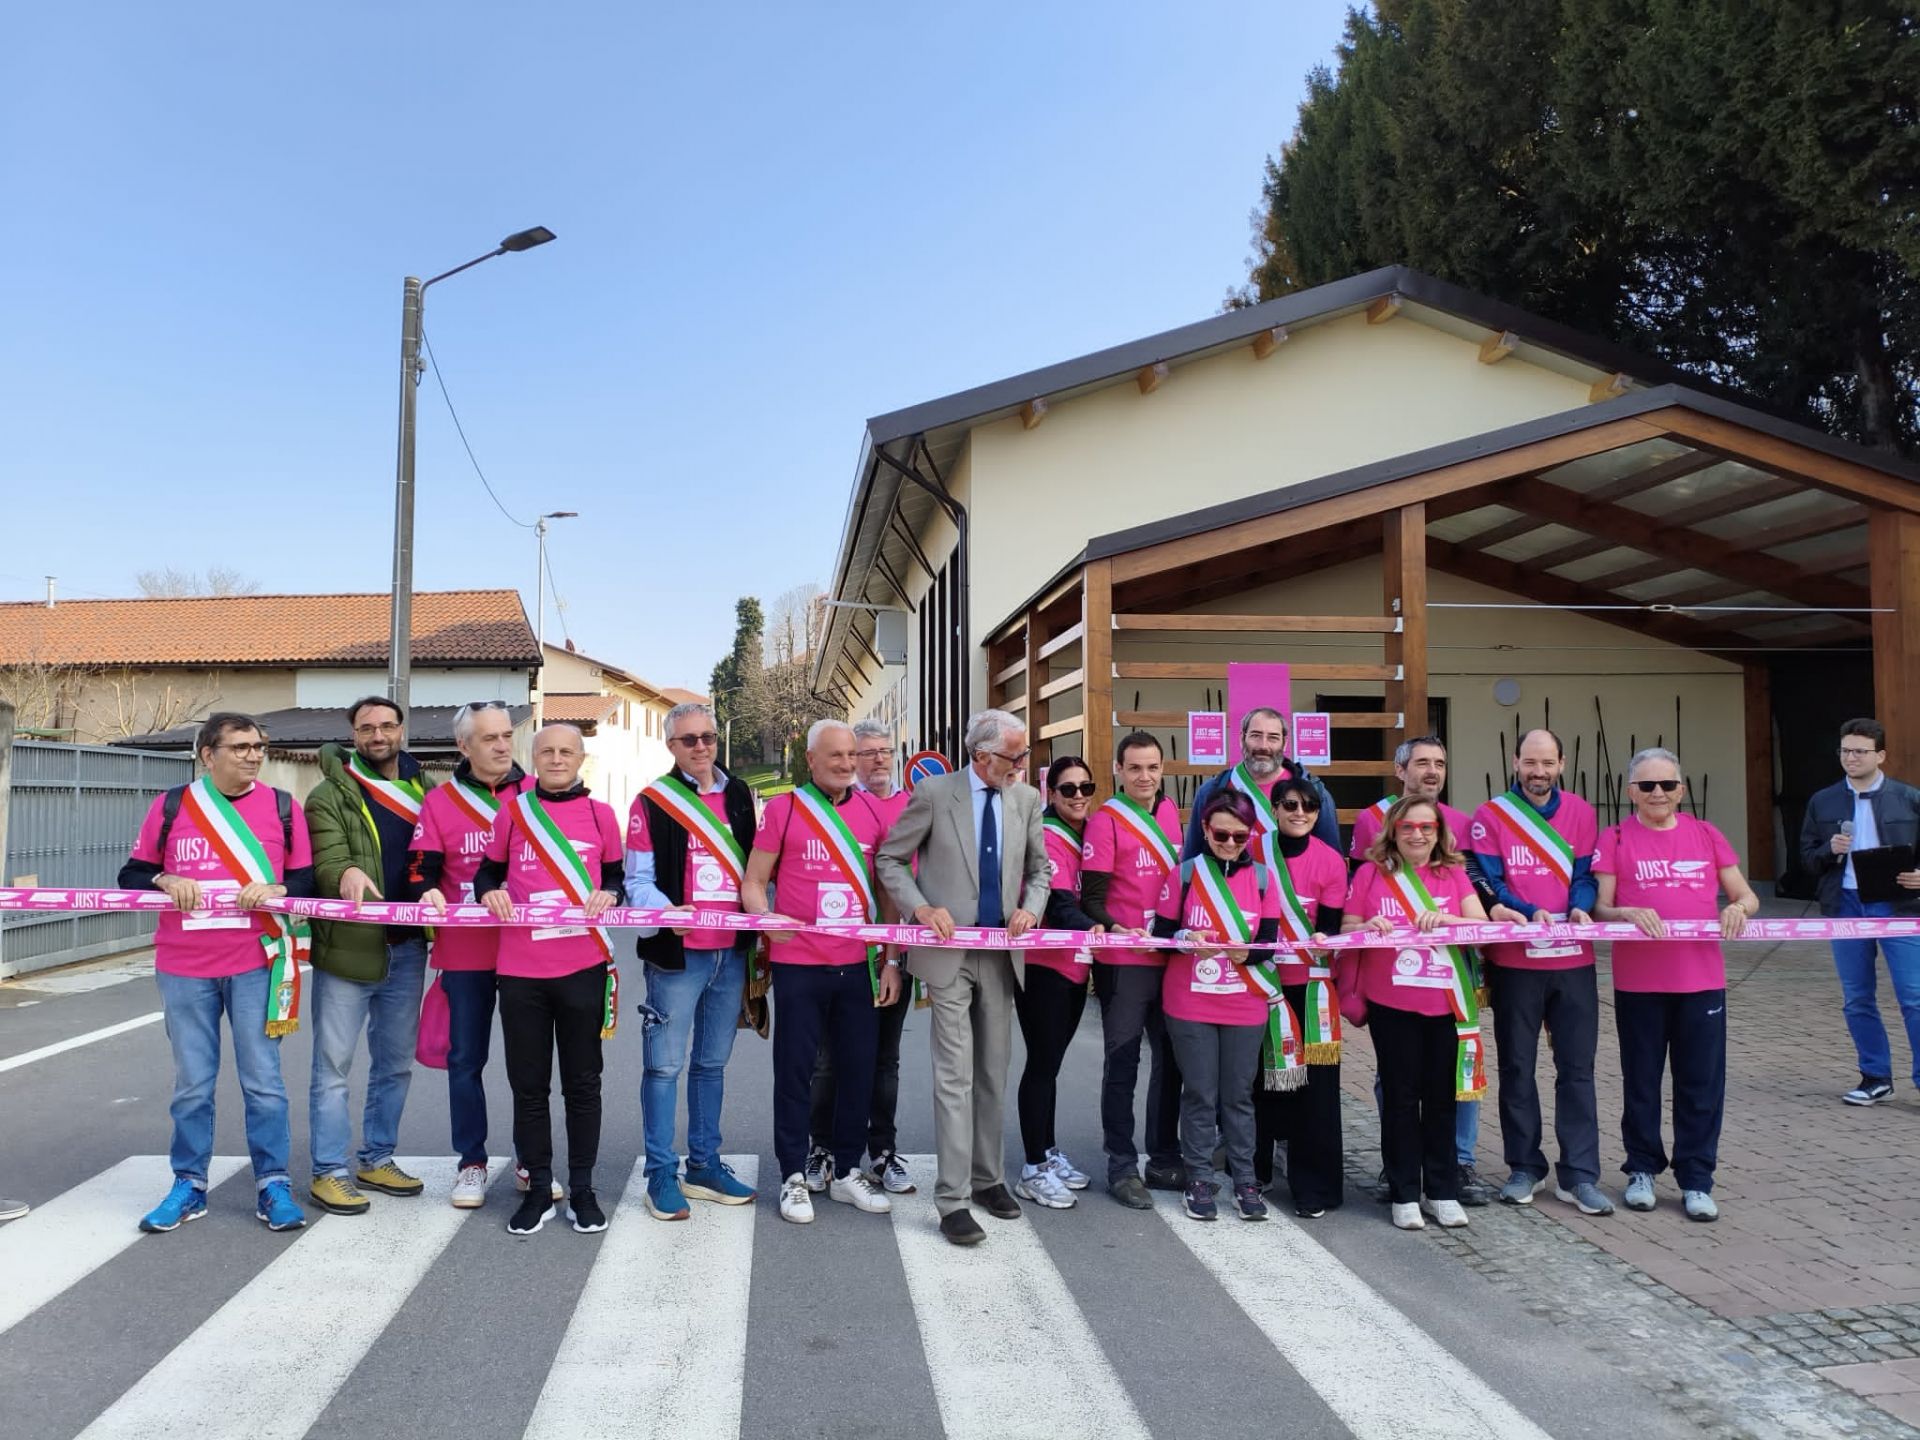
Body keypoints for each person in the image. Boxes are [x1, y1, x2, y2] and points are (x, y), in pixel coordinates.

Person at [119, 712, 313, 1233]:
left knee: (264, 1081)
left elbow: (306, 879)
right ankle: (188, 1184)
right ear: (208, 754)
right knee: (192, 1085)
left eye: (259, 747)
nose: (254, 756)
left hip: (257, 962)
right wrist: (164, 879)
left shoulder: (283, 807)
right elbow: (131, 873)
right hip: (184, 965)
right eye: (241, 747)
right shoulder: (172, 806)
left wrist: (278, 890)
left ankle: (273, 1183)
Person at [876, 708, 1050, 1247]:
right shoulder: (934, 794)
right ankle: (952, 1200)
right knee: (955, 1076)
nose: (1022, 765)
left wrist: (1031, 909)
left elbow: (1041, 870)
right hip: (947, 955)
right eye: (1014, 756)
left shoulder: (1026, 799)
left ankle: (987, 1178)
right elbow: (890, 859)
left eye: (1024, 755)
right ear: (981, 755)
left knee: (993, 1072)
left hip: (1000, 954)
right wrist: (921, 909)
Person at [743, 720, 897, 1225]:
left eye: (852, 755)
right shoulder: (784, 809)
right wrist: (766, 919)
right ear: (810, 759)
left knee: (858, 1069)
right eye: (836, 756)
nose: (848, 764)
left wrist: (892, 959)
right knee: (795, 1072)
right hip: (799, 965)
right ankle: (792, 1174)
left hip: (858, 964)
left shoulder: (872, 811)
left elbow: (887, 891)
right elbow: (754, 881)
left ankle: (848, 1169)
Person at [1595, 747, 1758, 1223]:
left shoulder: (1706, 834)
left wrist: (1737, 908)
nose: (1658, 793)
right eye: (1647, 785)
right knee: (1641, 1081)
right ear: (1631, 792)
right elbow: (1601, 907)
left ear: (1681, 790)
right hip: (1639, 983)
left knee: (1700, 1084)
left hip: (1701, 982)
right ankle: (1641, 1169)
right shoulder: (1615, 837)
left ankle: (1696, 1179)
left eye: (1667, 785)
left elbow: (1746, 895)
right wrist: (1625, 912)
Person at [473, 723, 624, 1237]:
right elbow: (486, 873)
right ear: (533, 758)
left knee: (583, 1085)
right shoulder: (512, 812)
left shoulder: (601, 815)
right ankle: (538, 1188)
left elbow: (617, 877)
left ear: (581, 759)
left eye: (566, 752)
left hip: (583, 966)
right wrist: (489, 893)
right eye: (547, 752)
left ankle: (582, 1189)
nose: (557, 759)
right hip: (521, 972)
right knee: (529, 1086)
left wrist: (612, 894)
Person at [623, 702, 759, 1220]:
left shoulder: (740, 793)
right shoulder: (652, 801)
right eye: (689, 740)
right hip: (677, 956)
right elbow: (637, 880)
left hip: (730, 951)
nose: (701, 747)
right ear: (671, 746)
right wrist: (665, 911)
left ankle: (703, 1164)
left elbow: (754, 869)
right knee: (663, 1067)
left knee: (711, 1065)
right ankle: (661, 1174)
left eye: (708, 737)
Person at [303, 696, 437, 1216]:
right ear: (353, 736)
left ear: (402, 730)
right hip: (349, 948)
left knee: (395, 1065)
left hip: (408, 948)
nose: (377, 735)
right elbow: (327, 861)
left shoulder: (427, 790)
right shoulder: (329, 794)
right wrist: (346, 874)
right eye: (366, 728)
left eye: (386, 726)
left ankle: (377, 1158)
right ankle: (329, 1171)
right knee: (333, 1066)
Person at [1470, 728, 1613, 1216]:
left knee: (1577, 1069)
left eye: (1547, 763)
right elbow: (1488, 882)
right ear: (1515, 762)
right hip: (1515, 961)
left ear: (1562, 764)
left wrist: (1579, 907)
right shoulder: (1491, 815)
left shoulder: (1582, 812)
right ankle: (1524, 1167)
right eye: (1530, 762)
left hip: (1573, 959)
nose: (1539, 772)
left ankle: (1580, 1174)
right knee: (1517, 1067)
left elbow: (1585, 874)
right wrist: (1530, 912)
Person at [1349, 734, 1493, 1207]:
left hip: (1445, 1002)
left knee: (1441, 1097)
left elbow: (1482, 927)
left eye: (1427, 828)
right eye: (1408, 827)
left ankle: (1443, 1188)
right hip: (1391, 1002)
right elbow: (1347, 928)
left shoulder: (1453, 873)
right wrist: (1367, 926)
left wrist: (1448, 921)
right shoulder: (1370, 873)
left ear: (1438, 831)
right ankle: (1404, 1191)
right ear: (1393, 831)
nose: (1417, 835)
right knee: (1399, 1097)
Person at [410, 701, 530, 1209]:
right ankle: (471, 1163)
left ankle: (532, 1159)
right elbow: (419, 868)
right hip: (464, 949)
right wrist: (424, 890)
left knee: (529, 1063)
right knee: (465, 1061)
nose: (502, 745)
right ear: (463, 746)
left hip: (528, 948)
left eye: (506, 735)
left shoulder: (536, 793)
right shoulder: (440, 802)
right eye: (489, 738)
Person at [1153, 790, 1284, 1223]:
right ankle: (1198, 1179)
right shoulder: (1185, 874)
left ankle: (1245, 1180)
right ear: (1206, 830)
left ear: (1251, 835)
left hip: (1244, 1000)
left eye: (1239, 836)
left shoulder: (1264, 879)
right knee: (1200, 1094)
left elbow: (1269, 942)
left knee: (1239, 1096)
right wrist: (1185, 939)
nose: (1229, 843)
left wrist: (1251, 954)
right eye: (1221, 834)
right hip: (1190, 1000)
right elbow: (1162, 934)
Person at [806, 717, 917, 1196]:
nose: (874, 760)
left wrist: (895, 954)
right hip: (838, 952)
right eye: (864, 752)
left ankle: (883, 1150)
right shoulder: (837, 806)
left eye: (882, 751)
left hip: (893, 949)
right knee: (830, 1060)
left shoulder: (913, 804)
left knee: (885, 1060)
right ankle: (823, 1146)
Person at [1079, 731, 1186, 1208]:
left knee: (1172, 1059)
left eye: (1153, 767)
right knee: (1123, 1062)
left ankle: (1163, 1155)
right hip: (1124, 962)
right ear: (1118, 770)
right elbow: (1091, 898)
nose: (1145, 776)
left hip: (1170, 957)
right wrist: (1116, 927)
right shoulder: (1105, 821)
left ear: (1163, 769)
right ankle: (1121, 1164)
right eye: (1135, 768)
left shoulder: (1169, 812)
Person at [1796, 718, 1920, 1106]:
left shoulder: (1909, 798)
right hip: (1845, 904)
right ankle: (1875, 1076)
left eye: (1860, 751)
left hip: (1897, 904)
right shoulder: (1823, 801)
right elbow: (1806, 859)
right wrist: (1828, 850)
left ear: (1880, 755)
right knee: (1857, 997)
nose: (1851, 758)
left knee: (1914, 996)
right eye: (1845, 751)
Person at [1254, 774, 1348, 1217]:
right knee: (1260, 1082)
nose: (1299, 812)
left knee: (1316, 1091)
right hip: (1262, 985)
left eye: (1309, 806)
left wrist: (1323, 939)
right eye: (1290, 804)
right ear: (1274, 808)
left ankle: (1314, 1186)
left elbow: (1328, 927)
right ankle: (1255, 1172)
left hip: (1311, 991)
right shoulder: (1253, 851)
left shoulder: (1330, 861)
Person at [1013, 755, 1103, 1210]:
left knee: (1051, 1065)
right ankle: (1033, 1167)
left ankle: (1046, 1152)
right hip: (1043, 965)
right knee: (1042, 1064)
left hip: (1074, 964)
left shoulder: (1087, 834)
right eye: (1068, 789)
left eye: (1086, 787)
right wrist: (1096, 927)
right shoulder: (1048, 834)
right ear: (1051, 793)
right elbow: (1058, 901)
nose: (1079, 796)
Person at [1183, 707, 1339, 857]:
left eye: (1273, 737)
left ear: (1284, 743)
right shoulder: (1211, 791)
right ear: (1242, 738)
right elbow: (1192, 860)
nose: (1263, 746)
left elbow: (1332, 861)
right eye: (1256, 735)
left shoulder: (1315, 793)